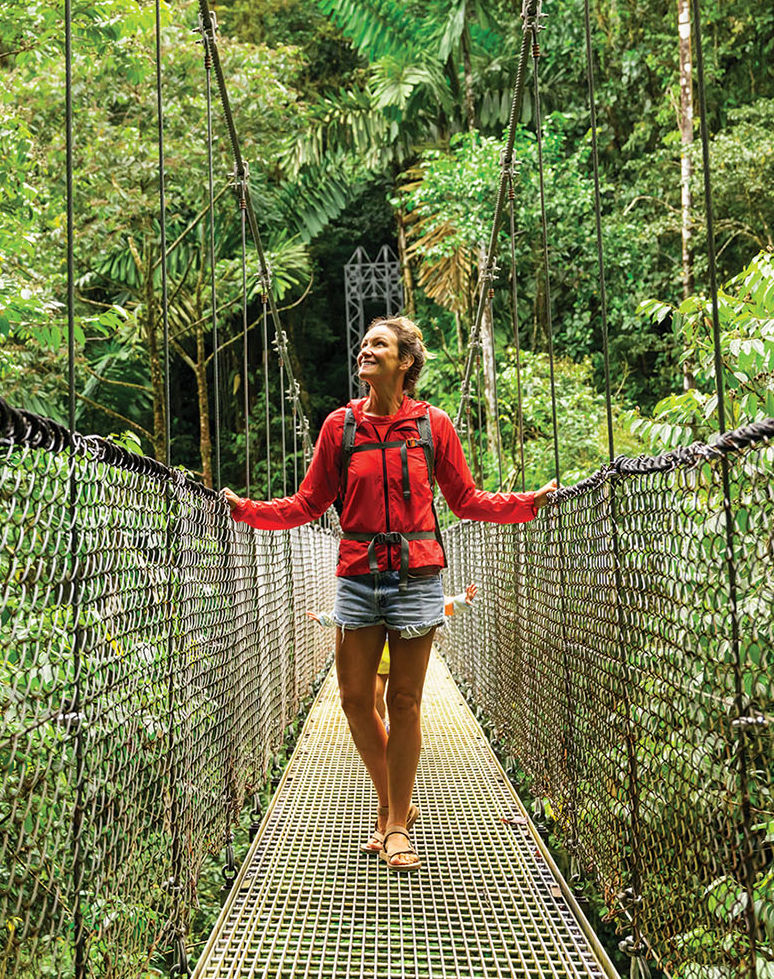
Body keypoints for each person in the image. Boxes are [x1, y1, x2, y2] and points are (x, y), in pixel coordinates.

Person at [222, 317, 553, 871]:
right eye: (364, 343)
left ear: (406, 362)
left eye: (380, 344)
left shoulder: (432, 425)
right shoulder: (339, 426)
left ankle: (396, 824)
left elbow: (465, 500)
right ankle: (390, 799)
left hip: (418, 577)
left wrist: (528, 504)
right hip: (356, 575)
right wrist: (248, 511)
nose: (365, 349)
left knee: (403, 701)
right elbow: (308, 504)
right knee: (355, 699)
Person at [309, 582, 476, 731]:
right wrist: (325, 619)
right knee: (375, 692)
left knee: (402, 698)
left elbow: (440, 606)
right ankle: (381, 726)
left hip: (399, 652)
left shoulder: (412, 592)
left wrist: (463, 600)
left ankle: (400, 732)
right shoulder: (368, 593)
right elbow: (347, 614)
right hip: (377, 655)